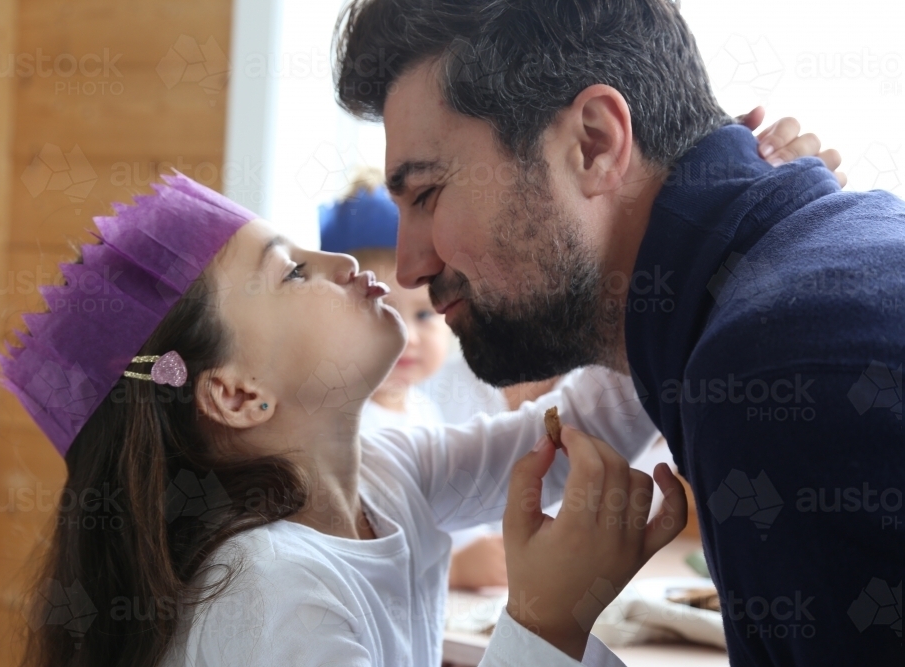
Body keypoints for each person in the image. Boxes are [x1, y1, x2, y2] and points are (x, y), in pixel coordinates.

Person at [335, 1, 903, 665]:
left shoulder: (779, 369)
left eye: (427, 193)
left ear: (596, 143)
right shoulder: (786, 293)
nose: (409, 266)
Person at [0, 172, 685, 667]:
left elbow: (561, 437)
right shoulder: (268, 593)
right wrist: (546, 620)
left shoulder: (389, 470)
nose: (343, 261)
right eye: (293, 272)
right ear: (238, 396)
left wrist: (678, 268)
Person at [320, 169, 451, 432]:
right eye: (383, 313)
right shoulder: (336, 421)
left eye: (424, 315)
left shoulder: (426, 412)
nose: (408, 337)